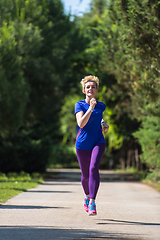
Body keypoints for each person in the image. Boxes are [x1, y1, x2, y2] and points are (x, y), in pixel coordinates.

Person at [75, 75, 109, 216]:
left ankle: (93, 202)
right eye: (88, 87)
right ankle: (87, 196)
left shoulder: (101, 106)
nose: (91, 89)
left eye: (93, 87)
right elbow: (81, 123)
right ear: (84, 90)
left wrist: (103, 125)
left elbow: (99, 118)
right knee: (85, 175)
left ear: (97, 90)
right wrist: (90, 107)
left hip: (98, 141)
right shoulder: (79, 105)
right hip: (82, 143)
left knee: (94, 168)